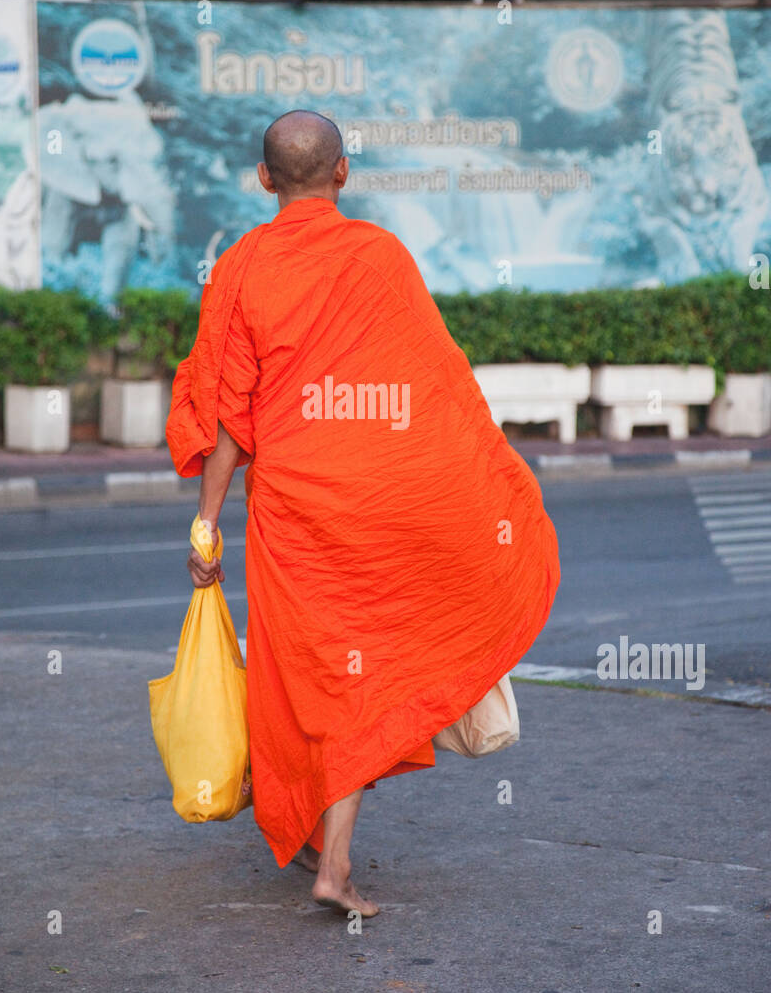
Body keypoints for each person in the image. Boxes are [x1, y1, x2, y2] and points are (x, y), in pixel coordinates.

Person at [167, 110, 560, 917]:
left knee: (312, 675)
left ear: (266, 179)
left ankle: (326, 850)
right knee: (363, 676)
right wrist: (488, 488)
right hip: (382, 509)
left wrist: (206, 527)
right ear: (343, 174)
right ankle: (330, 861)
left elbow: (228, 418)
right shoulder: (380, 256)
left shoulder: (241, 267)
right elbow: (439, 389)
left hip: (295, 518)